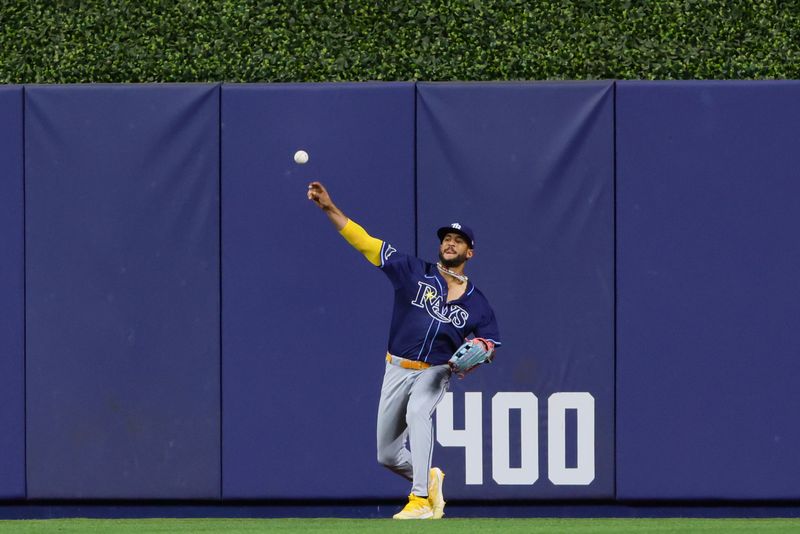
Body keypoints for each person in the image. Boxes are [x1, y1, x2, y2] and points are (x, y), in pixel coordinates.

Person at [307, 181, 501, 520]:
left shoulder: (478, 303)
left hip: (435, 371)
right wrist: (329, 209)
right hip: (396, 367)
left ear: (469, 252)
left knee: (418, 413)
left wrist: (482, 349)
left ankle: (420, 500)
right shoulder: (413, 271)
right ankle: (430, 479)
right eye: (446, 238)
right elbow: (367, 244)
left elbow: (490, 341)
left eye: (458, 240)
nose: (450, 242)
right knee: (387, 454)